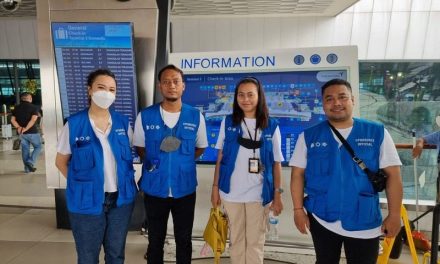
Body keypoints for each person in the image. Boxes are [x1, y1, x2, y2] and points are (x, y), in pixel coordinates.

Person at [290, 79, 403, 264]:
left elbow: (394, 176)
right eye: (329, 99)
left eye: (342, 97)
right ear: (323, 104)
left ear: (352, 100)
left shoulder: (377, 133)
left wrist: (395, 214)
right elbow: (297, 175)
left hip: (364, 219)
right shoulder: (308, 136)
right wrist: (297, 210)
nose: (336, 103)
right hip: (321, 216)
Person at [55, 69, 137, 264]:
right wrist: (82, 186)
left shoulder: (123, 123)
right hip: (87, 201)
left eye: (112, 89)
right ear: (89, 90)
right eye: (101, 87)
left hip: (120, 201)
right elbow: (60, 162)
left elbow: (128, 158)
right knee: (87, 257)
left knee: (116, 255)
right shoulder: (74, 124)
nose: (107, 93)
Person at [133, 64, 208, 263]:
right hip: (154, 189)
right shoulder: (146, 115)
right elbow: (139, 147)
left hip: (184, 189)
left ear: (183, 86)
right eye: (166, 82)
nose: (171, 85)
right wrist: (156, 161)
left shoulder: (195, 116)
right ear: (160, 86)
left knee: (184, 239)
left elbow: (201, 147)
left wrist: (181, 163)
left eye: (176, 81)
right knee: (155, 240)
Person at [210, 77, 284, 264]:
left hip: (259, 194)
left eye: (250, 94)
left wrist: (278, 195)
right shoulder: (227, 123)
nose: (245, 99)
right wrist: (215, 187)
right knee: (236, 241)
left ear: (259, 96)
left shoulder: (271, 125)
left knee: (255, 243)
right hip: (231, 193)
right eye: (241, 95)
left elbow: (276, 163)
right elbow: (220, 157)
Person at [11, 92, 42, 173]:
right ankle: (30, 162)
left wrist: (19, 127)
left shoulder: (16, 108)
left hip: (21, 133)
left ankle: (27, 170)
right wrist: (26, 128)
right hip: (32, 132)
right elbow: (33, 119)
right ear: (30, 98)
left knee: (25, 150)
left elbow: (12, 120)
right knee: (38, 147)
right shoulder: (34, 107)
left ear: (22, 99)